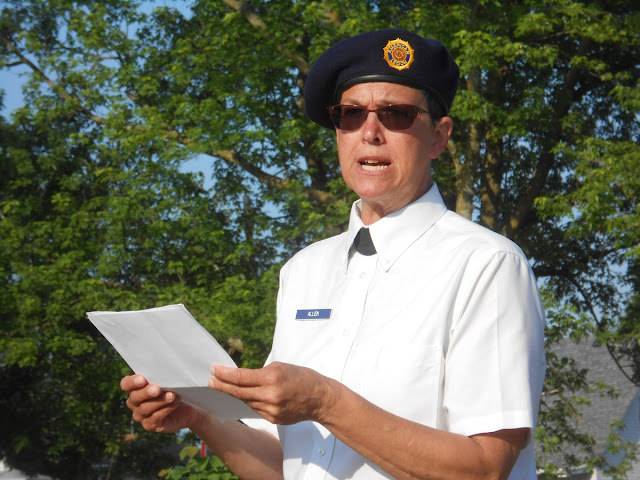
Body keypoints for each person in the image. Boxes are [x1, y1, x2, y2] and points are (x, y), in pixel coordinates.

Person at [121, 28, 546, 480]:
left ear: (439, 137)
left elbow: (485, 467)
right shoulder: (303, 270)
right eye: (351, 114)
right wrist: (200, 417)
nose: (370, 132)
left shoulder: (486, 264)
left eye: (396, 114)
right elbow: (288, 466)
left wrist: (325, 401)